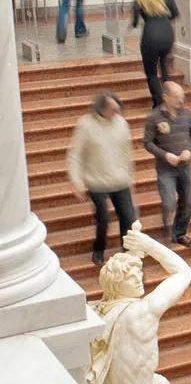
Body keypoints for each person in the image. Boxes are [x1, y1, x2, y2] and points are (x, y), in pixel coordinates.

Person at [86, 221, 191, 384]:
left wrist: (133, 256)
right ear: (116, 284)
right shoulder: (142, 314)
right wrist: (147, 244)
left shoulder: (105, 312)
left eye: (138, 274)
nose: (138, 280)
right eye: (130, 277)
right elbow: (184, 272)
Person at [67, 91, 137, 266]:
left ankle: (127, 255)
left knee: (128, 217)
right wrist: (77, 181)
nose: (116, 113)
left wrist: (129, 175)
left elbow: (126, 151)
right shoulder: (86, 124)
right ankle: (99, 248)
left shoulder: (122, 123)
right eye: (112, 109)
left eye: (117, 109)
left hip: (119, 179)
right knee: (103, 218)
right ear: (101, 109)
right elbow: (75, 154)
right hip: (96, 180)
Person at [144, 82, 191, 247]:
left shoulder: (188, 114)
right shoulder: (154, 118)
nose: (181, 101)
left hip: (184, 166)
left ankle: (179, 234)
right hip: (165, 168)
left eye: (182, 97)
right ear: (165, 97)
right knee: (169, 202)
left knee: (188, 204)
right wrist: (164, 155)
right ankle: (166, 224)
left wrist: (189, 149)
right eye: (177, 98)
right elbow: (147, 142)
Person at [132, 0, 180, 108]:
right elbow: (175, 14)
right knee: (164, 65)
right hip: (167, 34)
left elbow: (134, 22)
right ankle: (173, 98)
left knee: (151, 73)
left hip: (150, 36)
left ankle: (160, 104)